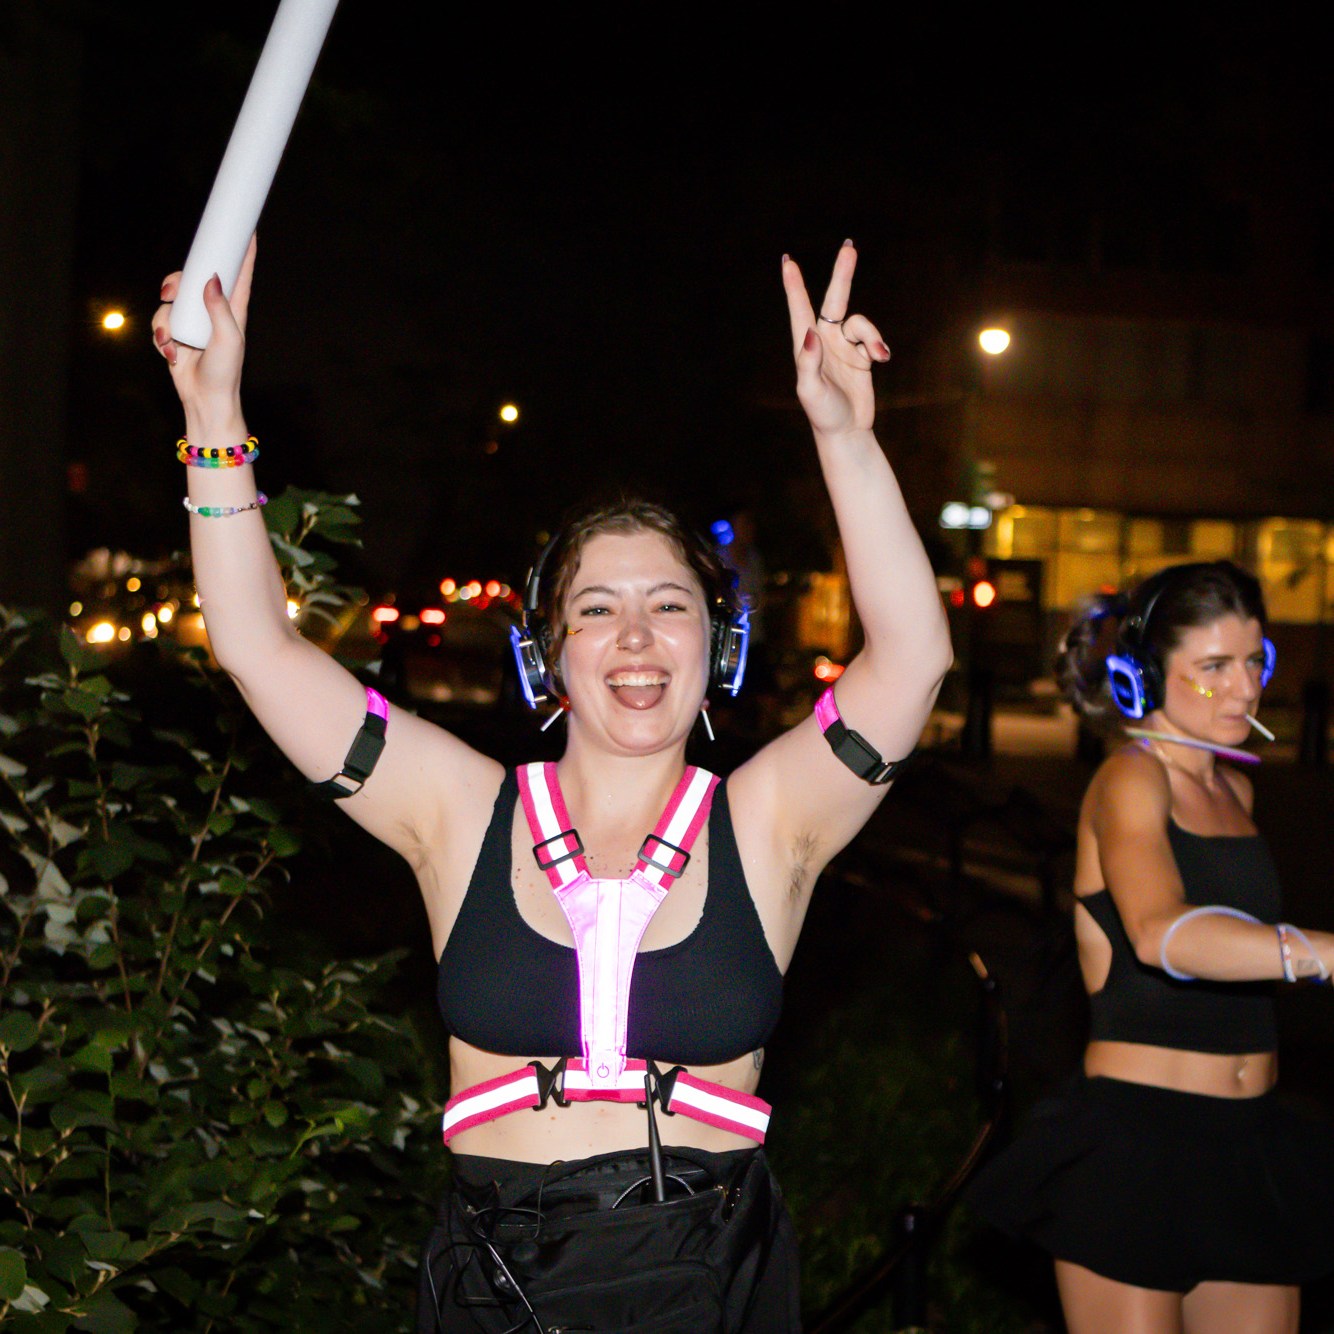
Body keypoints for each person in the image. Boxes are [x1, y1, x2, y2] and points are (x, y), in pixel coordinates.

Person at [152, 239, 952, 1332]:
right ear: (547, 654)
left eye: (669, 605)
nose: (636, 636)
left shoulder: (770, 819)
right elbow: (256, 646)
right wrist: (213, 414)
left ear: (717, 645)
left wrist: (845, 438)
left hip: (703, 1280)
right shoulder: (458, 809)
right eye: (596, 609)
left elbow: (910, 658)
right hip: (497, 1283)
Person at [968, 561, 1334, 1334]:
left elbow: (1237, 950)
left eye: (1255, 661)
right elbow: (1160, 931)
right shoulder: (1129, 780)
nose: (1245, 689)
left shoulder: (1236, 789)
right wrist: (1320, 952)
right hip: (1140, 1143)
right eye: (1214, 667)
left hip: (1248, 1138)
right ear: (1145, 675)